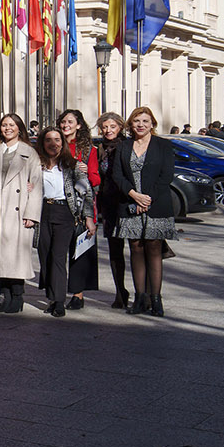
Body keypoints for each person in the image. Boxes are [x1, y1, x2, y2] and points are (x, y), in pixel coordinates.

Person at [109, 107, 176, 316]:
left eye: (145, 121)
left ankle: (155, 299)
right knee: (136, 248)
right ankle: (139, 298)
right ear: (131, 124)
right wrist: (133, 195)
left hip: (155, 204)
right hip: (129, 203)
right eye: (137, 121)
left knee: (154, 248)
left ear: (152, 124)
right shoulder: (124, 146)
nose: (141, 125)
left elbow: (166, 175)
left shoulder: (163, 145)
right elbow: (117, 175)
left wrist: (147, 198)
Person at [0, 114, 42, 314]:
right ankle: (5, 295)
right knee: (0, 258)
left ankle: (17, 296)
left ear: (19, 128)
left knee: (16, 258)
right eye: (4, 125)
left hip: (18, 211)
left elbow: (36, 184)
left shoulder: (29, 153)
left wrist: (31, 214)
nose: (8, 128)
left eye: (12, 125)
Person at [35, 127, 93, 318]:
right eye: (49, 140)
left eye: (57, 140)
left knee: (58, 256)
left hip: (64, 212)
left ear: (63, 142)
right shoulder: (37, 165)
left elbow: (86, 192)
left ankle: (59, 300)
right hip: (42, 212)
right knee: (45, 256)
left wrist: (89, 218)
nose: (53, 144)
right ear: (43, 143)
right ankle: (51, 297)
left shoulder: (72, 165)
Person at [57, 110, 100, 308]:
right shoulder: (53, 145)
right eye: (63, 121)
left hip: (81, 207)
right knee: (56, 251)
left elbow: (95, 179)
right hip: (56, 204)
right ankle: (55, 292)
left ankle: (78, 294)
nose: (66, 125)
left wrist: (84, 171)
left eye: (70, 122)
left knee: (79, 250)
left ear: (79, 125)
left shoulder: (88, 150)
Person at [95, 113, 131, 308]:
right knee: (115, 250)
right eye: (104, 127)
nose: (108, 130)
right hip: (109, 205)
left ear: (120, 127)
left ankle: (145, 292)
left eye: (112, 126)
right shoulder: (101, 148)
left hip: (126, 202)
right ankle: (120, 291)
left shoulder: (128, 146)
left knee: (136, 249)